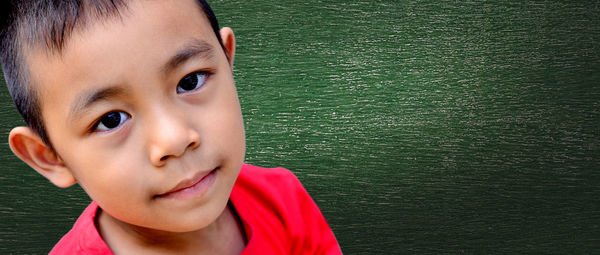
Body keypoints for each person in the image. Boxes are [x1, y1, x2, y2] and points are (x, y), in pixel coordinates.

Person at [0, 0, 342, 254]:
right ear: (50, 157)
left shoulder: (282, 202)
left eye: (190, 81)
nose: (174, 140)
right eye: (111, 120)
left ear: (226, 59)